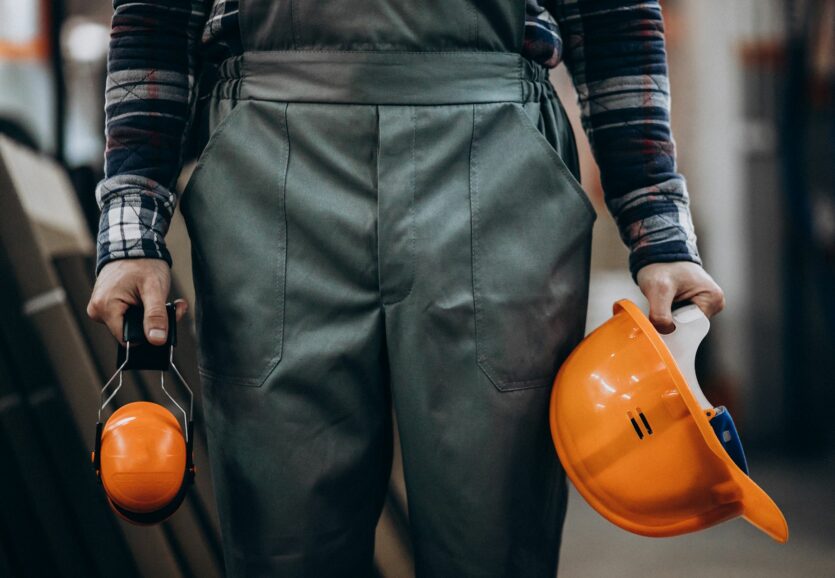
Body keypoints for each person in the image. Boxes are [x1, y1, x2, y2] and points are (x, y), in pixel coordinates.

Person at [86, 0, 725, 576]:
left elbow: (613, 18)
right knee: (285, 542)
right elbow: (157, 16)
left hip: (496, 167)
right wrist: (131, 230)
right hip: (269, 177)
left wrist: (658, 228)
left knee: (495, 541)